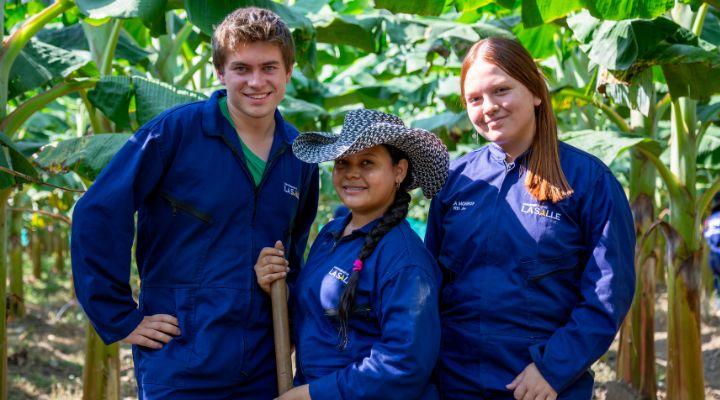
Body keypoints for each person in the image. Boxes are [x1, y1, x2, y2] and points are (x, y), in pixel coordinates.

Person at [71, 7, 318, 399]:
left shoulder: (298, 155)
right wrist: (119, 317)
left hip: (261, 361)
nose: (256, 82)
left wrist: (289, 322)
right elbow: (97, 213)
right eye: (242, 68)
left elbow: (296, 250)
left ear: (288, 72)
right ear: (220, 73)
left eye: (269, 68)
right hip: (180, 357)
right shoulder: (174, 133)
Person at [425, 37, 635, 399]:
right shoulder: (456, 179)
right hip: (455, 380)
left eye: (501, 90)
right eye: (474, 99)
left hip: (542, 385)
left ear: (536, 91)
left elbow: (608, 293)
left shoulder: (588, 181)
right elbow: (431, 282)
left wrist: (553, 370)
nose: (488, 107)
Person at [255, 109, 449, 399]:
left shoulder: (405, 260)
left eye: (367, 163)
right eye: (343, 162)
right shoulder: (330, 233)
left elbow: (405, 362)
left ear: (399, 170)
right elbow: (315, 317)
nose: (352, 173)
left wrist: (314, 394)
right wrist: (272, 286)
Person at [704, 197, 720, 308]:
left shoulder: (709, 219)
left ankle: (717, 302)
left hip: (713, 255)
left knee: (716, 277)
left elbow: (705, 235)